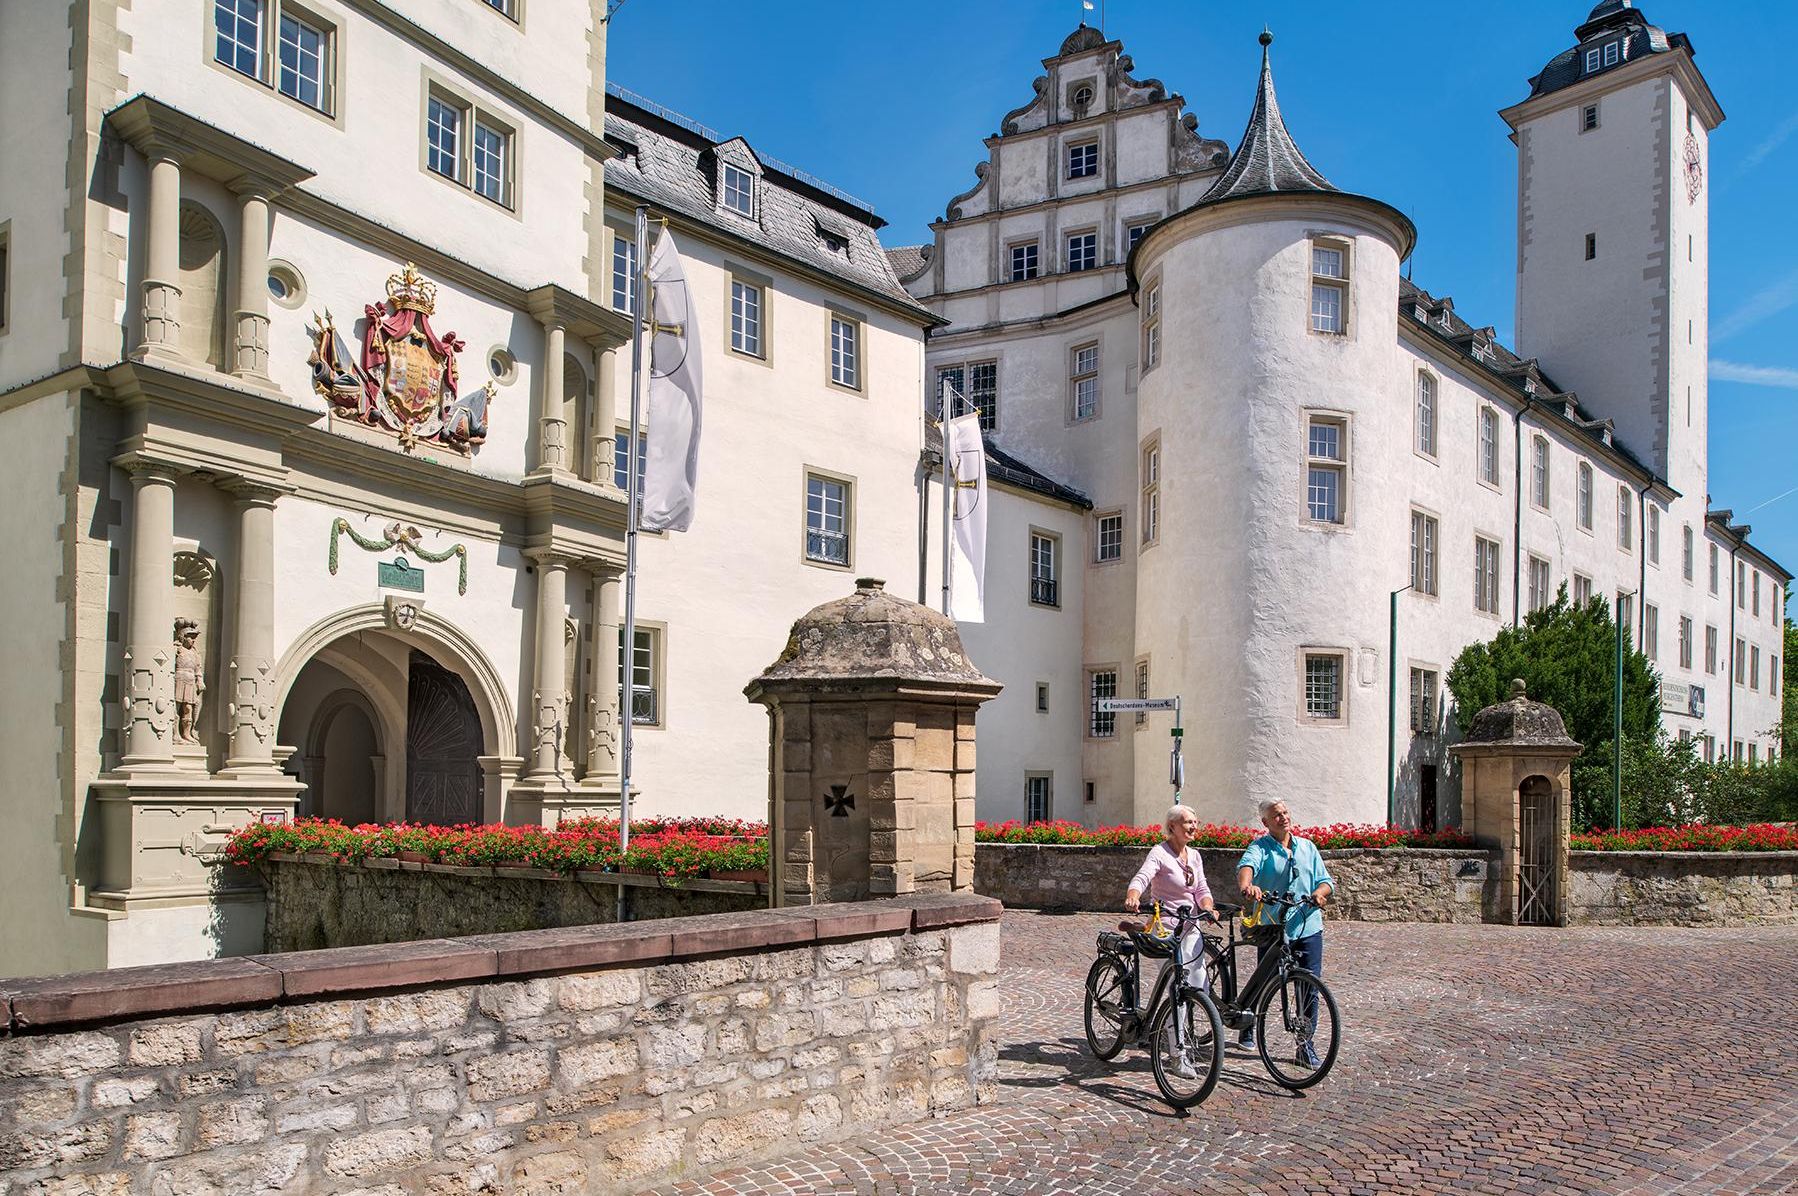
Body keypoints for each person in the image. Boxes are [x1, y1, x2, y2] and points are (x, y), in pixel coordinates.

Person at [1236, 798, 1333, 1065]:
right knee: (1266, 978)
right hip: (1274, 926)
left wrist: (1319, 893)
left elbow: (1325, 881)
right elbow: (1246, 868)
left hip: (1307, 924)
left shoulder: (1307, 847)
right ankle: (1248, 1020)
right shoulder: (1261, 847)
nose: (1283, 817)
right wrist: (1248, 887)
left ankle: (1305, 1045)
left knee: (1309, 986)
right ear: (1266, 822)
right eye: (1276, 815)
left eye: (1285, 812)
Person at [1124, 804, 1217, 1011]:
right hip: (1165, 928)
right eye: (1188, 822)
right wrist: (1133, 896)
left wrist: (1208, 907)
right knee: (1176, 984)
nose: (1193, 826)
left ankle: (1183, 1033)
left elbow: (1201, 888)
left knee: (1200, 981)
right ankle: (1176, 1041)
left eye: (1195, 822)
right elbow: (1142, 877)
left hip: (1191, 925)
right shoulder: (1159, 853)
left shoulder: (1194, 856)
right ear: (1172, 826)